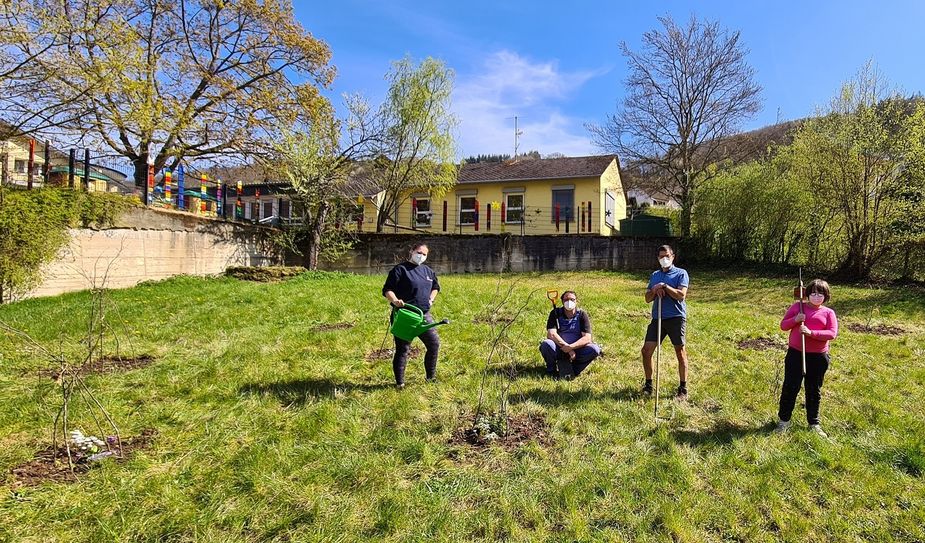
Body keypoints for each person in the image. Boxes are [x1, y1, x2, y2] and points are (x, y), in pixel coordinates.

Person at [775, 279, 838, 437]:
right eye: (813, 293)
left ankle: (813, 423)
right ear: (807, 294)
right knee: (790, 387)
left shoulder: (828, 313)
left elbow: (832, 333)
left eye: (820, 294)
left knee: (813, 389)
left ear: (826, 296)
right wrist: (795, 319)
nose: (817, 297)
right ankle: (784, 422)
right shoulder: (798, 307)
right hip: (796, 354)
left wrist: (811, 333)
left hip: (818, 357)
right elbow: (783, 326)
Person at [382, 242, 441, 388]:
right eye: (419, 252)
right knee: (403, 349)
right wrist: (395, 300)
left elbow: (435, 287)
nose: (421, 256)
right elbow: (387, 289)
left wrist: (431, 299)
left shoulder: (428, 271)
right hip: (405, 316)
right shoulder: (400, 270)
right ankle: (400, 383)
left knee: (434, 344)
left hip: (424, 315)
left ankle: (430, 378)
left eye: (424, 254)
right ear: (412, 251)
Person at [641, 244, 690, 400]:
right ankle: (648, 385)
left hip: (675, 317)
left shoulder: (681, 273)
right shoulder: (655, 275)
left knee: (680, 352)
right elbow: (647, 298)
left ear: (673, 257)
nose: (664, 259)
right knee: (646, 351)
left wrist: (665, 287)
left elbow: (681, 295)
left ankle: (683, 388)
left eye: (667, 256)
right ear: (658, 259)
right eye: (661, 256)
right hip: (658, 318)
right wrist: (655, 290)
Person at [539, 290, 602, 380]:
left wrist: (571, 347)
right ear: (562, 301)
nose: (569, 302)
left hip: (577, 350)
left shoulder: (582, 315)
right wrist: (567, 348)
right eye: (566, 299)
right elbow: (551, 334)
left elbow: (587, 338)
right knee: (546, 344)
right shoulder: (555, 313)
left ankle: (574, 370)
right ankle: (551, 371)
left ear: (576, 301)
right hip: (559, 348)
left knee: (594, 349)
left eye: (572, 299)